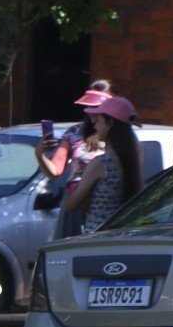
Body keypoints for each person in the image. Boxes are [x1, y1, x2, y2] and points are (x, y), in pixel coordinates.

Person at [40, 91, 144, 238]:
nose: (94, 123)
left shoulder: (100, 163)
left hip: (97, 238)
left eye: (99, 119)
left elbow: (71, 206)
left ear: (110, 123)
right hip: (122, 235)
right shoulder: (133, 154)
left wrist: (79, 188)